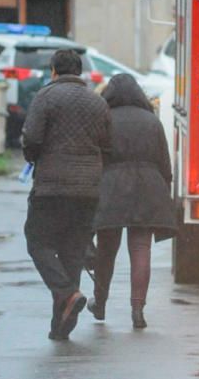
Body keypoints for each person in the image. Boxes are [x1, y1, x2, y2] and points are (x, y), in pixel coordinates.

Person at [22, 49, 110, 340]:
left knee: (38, 243)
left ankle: (67, 293)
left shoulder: (46, 97)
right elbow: (108, 144)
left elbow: (32, 138)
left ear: (54, 71)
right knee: (72, 253)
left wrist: (33, 157)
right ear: (81, 70)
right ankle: (61, 327)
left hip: (51, 187)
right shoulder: (98, 102)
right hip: (87, 191)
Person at [89, 74, 175, 328]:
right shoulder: (151, 121)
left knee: (106, 250)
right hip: (147, 188)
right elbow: (164, 162)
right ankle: (138, 309)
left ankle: (100, 303)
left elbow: (96, 158)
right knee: (140, 249)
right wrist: (164, 189)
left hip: (111, 188)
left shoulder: (104, 119)